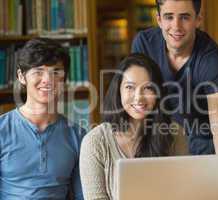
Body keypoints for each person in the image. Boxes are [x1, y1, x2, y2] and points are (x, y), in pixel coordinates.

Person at [131, 0, 218, 155]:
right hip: (174, 132)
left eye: (184, 17)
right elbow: (137, 102)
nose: (176, 26)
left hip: (213, 136)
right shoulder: (145, 44)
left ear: (198, 19)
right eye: (169, 17)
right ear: (159, 19)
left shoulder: (212, 59)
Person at [79, 53, 188, 200]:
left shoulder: (176, 134)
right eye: (130, 87)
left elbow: (183, 192)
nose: (138, 97)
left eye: (148, 88)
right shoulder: (95, 142)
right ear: (118, 91)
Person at [0, 38, 85, 199]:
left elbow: (83, 195)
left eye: (55, 72)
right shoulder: (2, 130)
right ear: (21, 76)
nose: (47, 80)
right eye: (38, 71)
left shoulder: (78, 136)